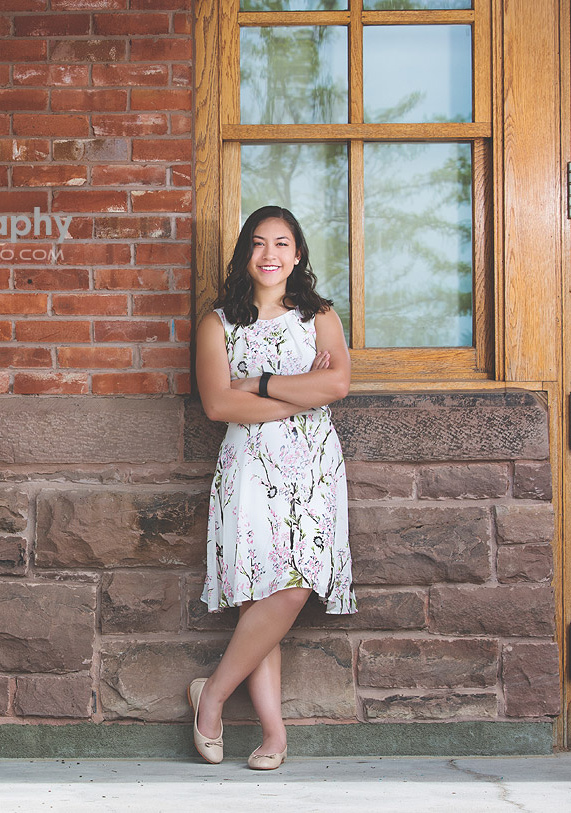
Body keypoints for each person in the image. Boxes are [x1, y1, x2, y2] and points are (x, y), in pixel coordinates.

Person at [190, 205, 356, 770]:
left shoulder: (320, 316)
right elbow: (218, 403)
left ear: (298, 254)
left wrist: (258, 383)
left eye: (282, 244)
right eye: (259, 244)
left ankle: (209, 696)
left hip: (313, 469)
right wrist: (298, 390)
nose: (270, 255)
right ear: (245, 255)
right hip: (250, 470)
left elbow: (336, 384)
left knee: (293, 588)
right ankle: (274, 732)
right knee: (267, 595)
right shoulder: (218, 324)